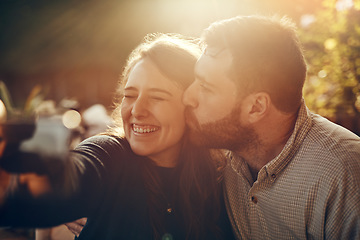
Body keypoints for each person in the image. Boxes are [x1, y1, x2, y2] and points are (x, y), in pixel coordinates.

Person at [0, 33, 235, 240]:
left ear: (191, 105)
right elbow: (64, 176)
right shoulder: (109, 155)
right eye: (130, 95)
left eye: (158, 97)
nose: (137, 111)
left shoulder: (223, 179)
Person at [183, 15, 360, 239]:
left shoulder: (345, 177)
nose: (187, 97)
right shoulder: (225, 155)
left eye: (205, 87)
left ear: (256, 107)